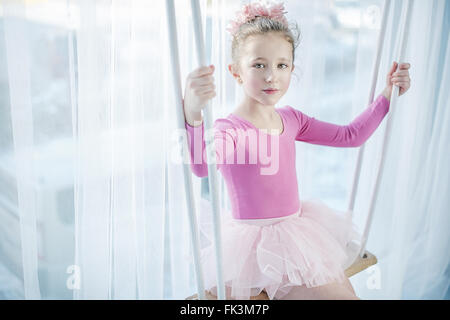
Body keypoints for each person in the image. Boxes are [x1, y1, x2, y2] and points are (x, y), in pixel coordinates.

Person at [182, 1, 411, 300]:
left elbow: (350, 136)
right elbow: (202, 166)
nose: (271, 76)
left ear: (292, 68)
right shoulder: (231, 129)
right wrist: (194, 113)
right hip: (249, 248)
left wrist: (387, 95)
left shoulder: (291, 119)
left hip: (296, 238)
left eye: (282, 65)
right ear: (236, 71)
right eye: (258, 64)